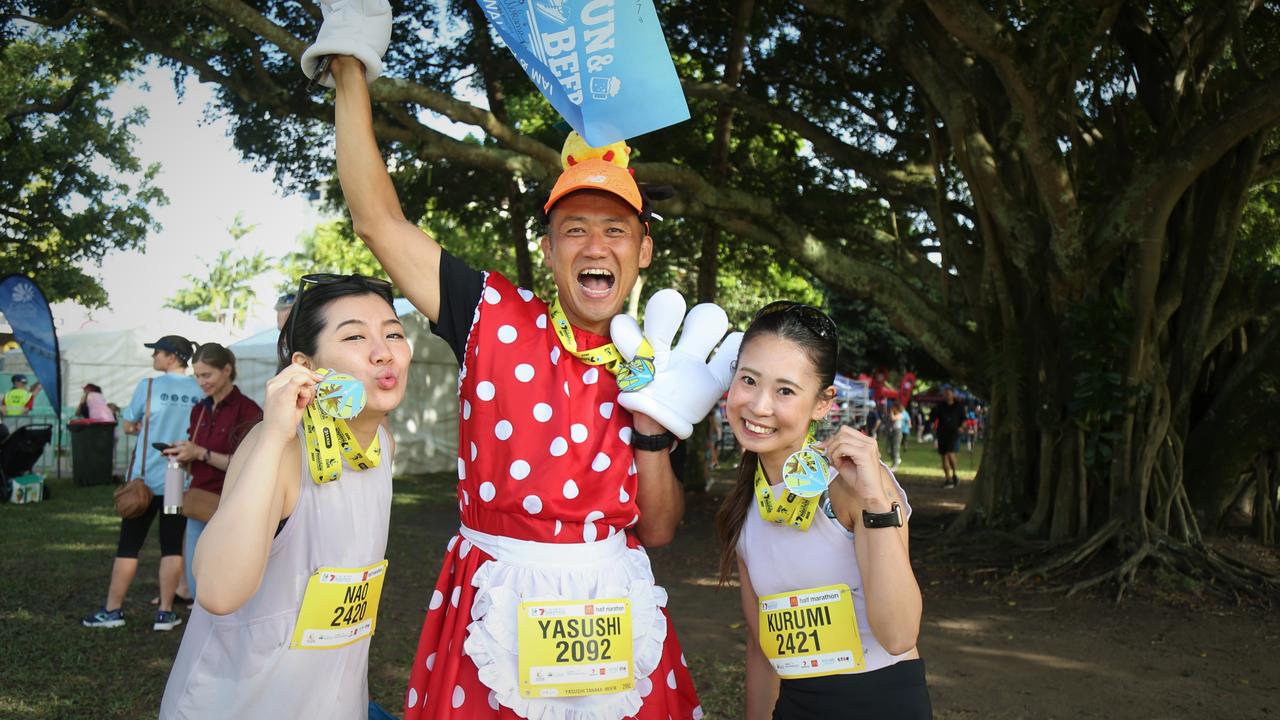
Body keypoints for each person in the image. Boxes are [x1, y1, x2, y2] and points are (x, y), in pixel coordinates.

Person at [318, 22, 709, 718]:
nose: (596, 244)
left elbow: (658, 530)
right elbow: (379, 221)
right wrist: (350, 68)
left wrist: (652, 429)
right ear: (551, 248)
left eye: (616, 230)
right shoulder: (491, 314)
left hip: (608, 604)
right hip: (494, 597)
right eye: (576, 229)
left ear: (642, 251)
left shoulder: (656, 357)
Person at [160, 274, 410, 719]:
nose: (383, 351)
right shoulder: (279, 447)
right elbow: (217, 591)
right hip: (239, 704)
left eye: (393, 333)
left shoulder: (381, 444)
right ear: (305, 365)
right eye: (355, 335)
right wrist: (274, 435)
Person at [715, 302, 929, 719]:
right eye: (749, 380)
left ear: (823, 403)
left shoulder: (854, 484)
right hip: (797, 704)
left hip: (881, 703)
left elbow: (900, 634)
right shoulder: (744, 504)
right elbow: (764, 648)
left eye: (785, 390)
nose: (759, 406)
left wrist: (874, 502)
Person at [82, 335, 201, 631]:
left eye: (157, 353)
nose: (154, 358)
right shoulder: (201, 388)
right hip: (178, 476)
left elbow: (129, 422)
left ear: (172, 356)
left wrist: (140, 426)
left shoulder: (148, 386)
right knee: (172, 546)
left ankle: (113, 610)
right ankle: (164, 612)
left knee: (129, 545)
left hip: (145, 478)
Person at [162, 343, 262, 599]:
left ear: (227, 370)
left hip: (232, 506)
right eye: (196, 375)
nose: (200, 382)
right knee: (198, 581)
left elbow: (252, 467)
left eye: (207, 375)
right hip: (199, 503)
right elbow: (197, 449)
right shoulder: (199, 409)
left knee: (228, 582)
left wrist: (200, 453)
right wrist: (184, 452)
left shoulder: (248, 411)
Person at [932, 386, 966, 488]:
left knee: (951, 454)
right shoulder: (940, 406)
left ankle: (955, 474)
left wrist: (961, 427)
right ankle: (948, 478)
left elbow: (964, 420)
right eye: (945, 393)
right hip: (942, 433)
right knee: (944, 456)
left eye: (949, 393)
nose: (947, 395)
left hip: (954, 433)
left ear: (953, 394)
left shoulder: (959, 406)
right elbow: (934, 417)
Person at [886, 400, 905, 471]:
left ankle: (895, 463)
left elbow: (892, 418)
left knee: (895, 449)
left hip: (897, 433)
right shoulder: (894, 413)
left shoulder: (901, 414)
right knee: (889, 449)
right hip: (892, 432)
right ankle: (896, 460)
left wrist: (891, 411)